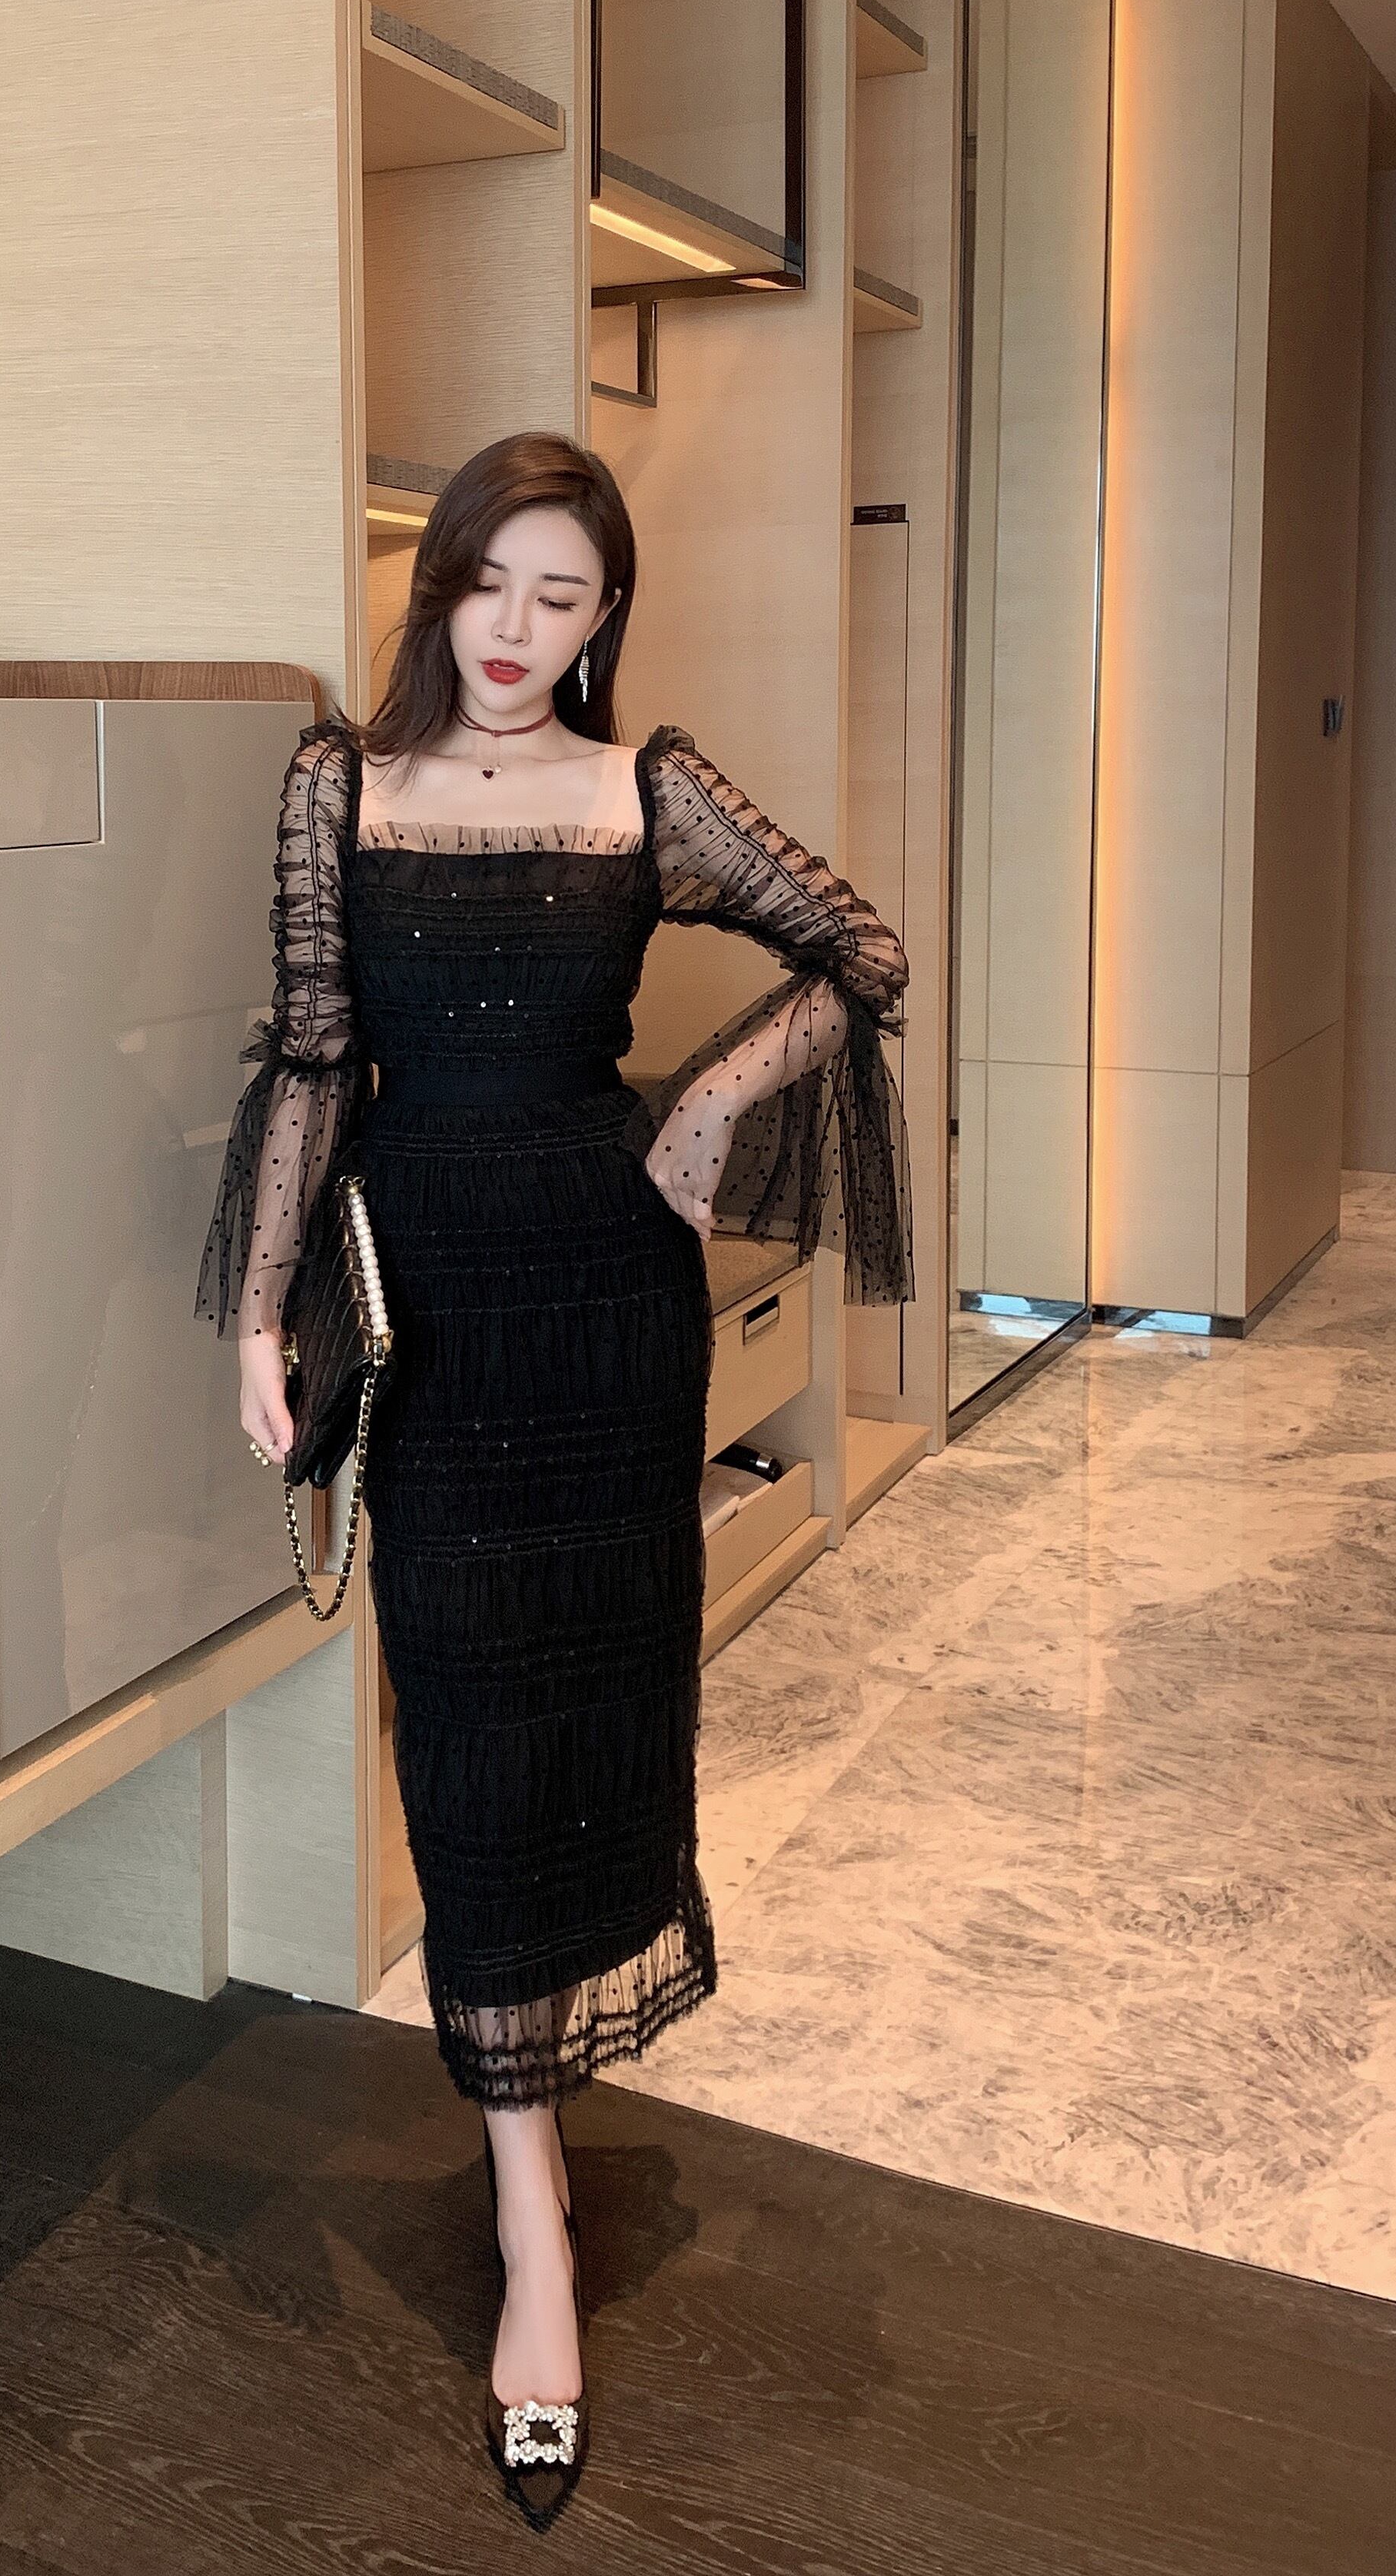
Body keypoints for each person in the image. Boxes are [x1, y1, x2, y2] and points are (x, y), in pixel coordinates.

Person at [195, 430, 912, 2524]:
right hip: (430, 1300)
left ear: (605, 618)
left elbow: (859, 954)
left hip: (605, 1306)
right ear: (439, 589)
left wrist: (701, 1111)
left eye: (563, 596)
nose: (518, 630)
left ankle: (539, 2208)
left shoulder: (646, 788)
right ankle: (528, 2202)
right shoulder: (338, 787)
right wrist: (257, 1313)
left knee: (597, 1703)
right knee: (466, 1721)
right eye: (491, 584)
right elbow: (313, 1057)